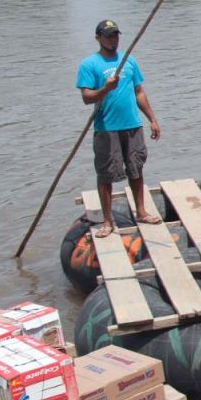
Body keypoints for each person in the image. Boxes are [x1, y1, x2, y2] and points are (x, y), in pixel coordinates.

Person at [76, 19, 162, 238]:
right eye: (108, 36)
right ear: (98, 38)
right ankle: (107, 220)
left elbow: (139, 91)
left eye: (115, 35)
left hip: (132, 125)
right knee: (106, 173)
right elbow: (87, 97)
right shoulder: (90, 64)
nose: (113, 39)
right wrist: (105, 88)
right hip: (107, 128)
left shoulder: (128, 60)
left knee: (136, 168)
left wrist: (152, 118)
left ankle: (141, 211)